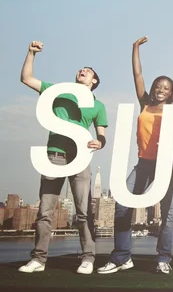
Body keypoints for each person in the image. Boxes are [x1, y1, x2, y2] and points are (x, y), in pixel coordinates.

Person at [97, 36, 173, 275]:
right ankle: (122, 256)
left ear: (171, 93)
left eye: (166, 88)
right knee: (123, 202)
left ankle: (163, 258)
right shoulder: (145, 104)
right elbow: (138, 75)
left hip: (166, 164)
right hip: (144, 162)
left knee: (167, 212)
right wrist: (135, 48)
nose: (160, 90)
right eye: (158, 86)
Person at [18, 40, 107, 275]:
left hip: (80, 158)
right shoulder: (57, 93)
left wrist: (100, 142)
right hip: (54, 157)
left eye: (88, 71)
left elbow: (102, 134)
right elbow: (27, 78)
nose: (83, 71)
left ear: (94, 81)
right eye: (81, 69)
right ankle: (38, 259)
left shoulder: (98, 106)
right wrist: (31, 53)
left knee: (83, 212)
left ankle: (88, 258)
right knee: (45, 211)